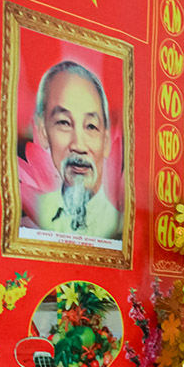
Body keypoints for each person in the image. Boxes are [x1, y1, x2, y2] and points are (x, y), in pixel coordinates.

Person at [30, 60, 122, 240]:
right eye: (64, 123)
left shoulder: (118, 225)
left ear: (106, 142)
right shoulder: (34, 211)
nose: (79, 146)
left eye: (91, 126)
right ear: (43, 132)